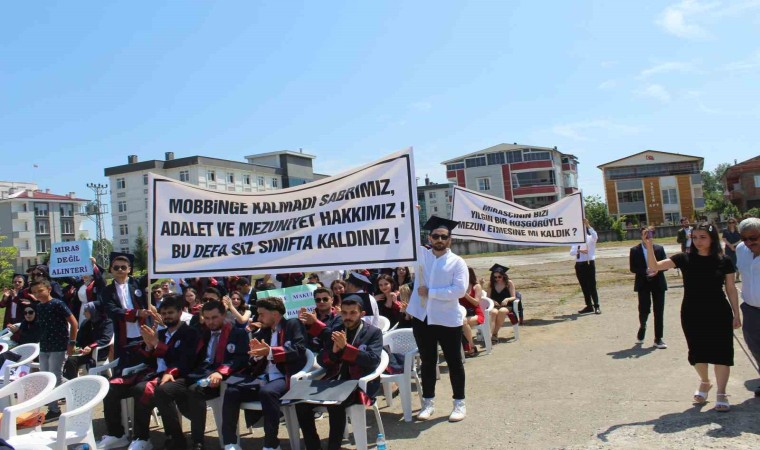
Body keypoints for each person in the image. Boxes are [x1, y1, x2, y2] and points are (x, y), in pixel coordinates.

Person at [644, 222, 741, 412]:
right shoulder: (684, 258)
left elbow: (731, 288)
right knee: (697, 352)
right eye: (694, 237)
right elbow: (654, 266)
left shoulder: (724, 261)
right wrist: (648, 245)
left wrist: (736, 313)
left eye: (702, 237)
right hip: (692, 312)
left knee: (722, 352)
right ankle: (705, 382)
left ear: (712, 238)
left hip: (718, 311)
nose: (697, 241)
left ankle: (721, 392)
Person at [99, 296, 199, 450]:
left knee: (141, 389)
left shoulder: (190, 333)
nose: (167, 316)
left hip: (175, 375)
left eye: (170, 312)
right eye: (164, 313)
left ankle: (142, 437)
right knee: (111, 387)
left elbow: (183, 360)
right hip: (151, 373)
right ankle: (116, 434)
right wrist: (147, 347)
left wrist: (156, 344)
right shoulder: (161, 332)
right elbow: (147, 360)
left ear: (180, 312)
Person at [152, 300, 249, 450]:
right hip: (196, 374)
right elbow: (186, 357)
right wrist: (170, 372)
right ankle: (176, 438)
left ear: (224, 315)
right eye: (207, 318)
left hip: (220, 377)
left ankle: (198, 441)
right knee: (162, 390)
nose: (211, 322)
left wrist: (220, 372)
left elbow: (240, 359)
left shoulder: (238, 333)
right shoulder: (200, 332)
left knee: (194, 391)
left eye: (215, 317)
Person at [295, 296, 383, 450]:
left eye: (353, 313)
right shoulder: (337, 330)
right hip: (334, 379)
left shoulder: (373, 333)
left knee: (336, 404)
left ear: (362, 314)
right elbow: (323, 360)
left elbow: (373, 360)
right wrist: (335, 352)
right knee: (301, 403)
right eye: (345, 313)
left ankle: (333, 447)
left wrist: (347, 348)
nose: (348, 317)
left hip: (359, 383)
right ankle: (313, 446)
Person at [220, 296, 306, 450]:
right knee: (232, 391)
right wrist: (256, 354)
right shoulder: (265, 331)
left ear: (274, 314)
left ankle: (272, 444)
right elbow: (257, 357)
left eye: (261, 314)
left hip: (284, 376)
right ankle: (230, 443)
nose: (258, 318)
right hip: (263, 377)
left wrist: (271, 352)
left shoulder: (292, 324)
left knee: (267, 393)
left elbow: (299, 350)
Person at [406, 216, 469, 422]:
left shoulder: (457, 262)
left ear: (450, 239)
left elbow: (459, 290)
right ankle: (428, 402)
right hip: (422, 318)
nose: (439, 239)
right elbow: (407, 237)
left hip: (447, 319)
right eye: (435, 236)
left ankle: (459, 402)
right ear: (430, 238)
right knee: (427, 361)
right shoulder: (422, 256)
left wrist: (430, 292)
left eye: (444, 236)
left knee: (453, 362)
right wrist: (410, 210)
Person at [30, 279, 78, 422]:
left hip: (59, 345)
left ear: (49, 289)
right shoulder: (39, 307)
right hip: (45, 346)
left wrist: (72, 342)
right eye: (34, 292)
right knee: (46, 378)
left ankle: (77, 390)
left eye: (40, 291)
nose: (37, 295)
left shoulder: (58, 304)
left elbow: (73, 323)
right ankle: (54, 409)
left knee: (55, 376)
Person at [100, 253, 151, 361]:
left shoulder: (137, 283)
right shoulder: (107, 291)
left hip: (144, 332)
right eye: (116, 267)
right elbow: (111, 310)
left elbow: (153, 273)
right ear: (111, 270)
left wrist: (151, 253)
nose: (120, 269)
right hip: (124, 335)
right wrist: (136, 313)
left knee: (148, 364)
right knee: (125, 367)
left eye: (123, 267)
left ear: (129, 269)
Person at [629, 226, 668, 349]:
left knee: (659, 311)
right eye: (645, 234)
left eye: (649, 234)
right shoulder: (634, 250)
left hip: (658, 283)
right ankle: (643, 326)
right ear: (641, 235)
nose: (647, 236)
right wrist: (645, 270)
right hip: (643, 283)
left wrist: (657, 270)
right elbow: (632, 268)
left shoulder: (659, 248)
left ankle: (658, 338)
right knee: (644, 309)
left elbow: (665, 265)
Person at [734, 217, 760, 396]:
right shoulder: (740, 250)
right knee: (755, 346)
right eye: (744, 238)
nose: (749, 242)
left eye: (753, 238)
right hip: (750, 309)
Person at [63, 301, 114, 379]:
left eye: (86, 311)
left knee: (72, 359)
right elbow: (79, 339)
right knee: (68, 357)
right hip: (84, 351)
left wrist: (91, 346)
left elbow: (106, 338)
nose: (83, 314)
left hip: (98, 352)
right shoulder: (86, 323)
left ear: (94, 311)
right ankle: (70, 381)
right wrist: (74, 348)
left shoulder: (107, 322)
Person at [570, 218, 601, 314]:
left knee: (592, 285)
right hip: (579, 265)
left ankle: (596, 306)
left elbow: (595, 236)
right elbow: (571, 252)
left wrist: (588, 225)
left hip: (588, 264)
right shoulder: (576, 240)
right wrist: (579, 251)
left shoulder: (590, 239)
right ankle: (589, 306)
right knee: (584, 286)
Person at [300, 287, 342, 353]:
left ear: (332, 300)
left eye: (325, 299)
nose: (321, 302)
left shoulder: (338, 317)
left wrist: (316, 322)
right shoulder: (308, 317)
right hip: (307, 354)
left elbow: (333, 337)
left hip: (326, 356)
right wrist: (301, 324)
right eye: (318, 300)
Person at [487, 263, 518, 344]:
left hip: (507, 305)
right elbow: (487, 297)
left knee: (502, 311)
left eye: (499, 277)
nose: (497, 279)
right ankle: (492, 334)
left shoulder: (509, 283)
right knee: (493, 312)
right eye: (495, 277)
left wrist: (507, 299)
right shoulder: (491, 284)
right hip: (495, 305)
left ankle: (494, 333)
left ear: (503, 275)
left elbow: (514, 297)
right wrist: (492, 301)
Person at [459, 267, 484, 357]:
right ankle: (464, 347)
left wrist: (465, 294)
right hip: (462, 312)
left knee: (462, 322)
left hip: (475, 313)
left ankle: (471, 347)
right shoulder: (459, 285)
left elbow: (476, 302)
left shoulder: (476, 286)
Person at [723, 218, 741, 282]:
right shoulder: (725, 230)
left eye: (732, 222)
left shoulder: (738, 230)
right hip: (728, 249)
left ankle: (737, 278)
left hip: (738, 248)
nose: (731, 224)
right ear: (728, 223)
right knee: (729, 263)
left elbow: (741, 239)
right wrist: (730, 246)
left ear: (735, 222)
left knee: (737, 262)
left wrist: (733, 245)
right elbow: (724, 239)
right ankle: (729, 279)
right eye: (729, 223)